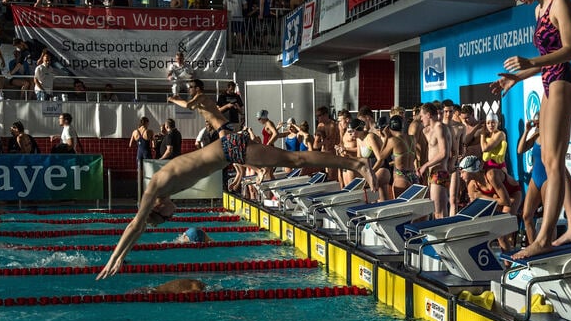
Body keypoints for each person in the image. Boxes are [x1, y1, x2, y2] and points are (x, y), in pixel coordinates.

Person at [97, 83, 376, 279]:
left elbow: (136, 223)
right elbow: (140, 226)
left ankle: (356, 163)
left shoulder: (156, 187)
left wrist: (115, 257)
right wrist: (175, 102)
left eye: (168, 216)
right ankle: (197, 100)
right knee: (213, 116)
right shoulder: (166, 190)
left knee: (296, 160)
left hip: (230, 149)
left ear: (158, 208)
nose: (174, 214)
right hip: (225, 143)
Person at [492, 0, 571, 258]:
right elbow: (544, 57)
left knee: (554, 161)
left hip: (563, 82)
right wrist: (516, 79)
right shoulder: (537, 10)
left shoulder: (560, 3)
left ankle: (545, 237)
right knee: (548, 158)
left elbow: (570, 50)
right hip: (548, 81)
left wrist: (531, 62)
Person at [459, 155, 522, 250]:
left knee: (501, 231)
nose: (461, 176)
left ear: (470, 170)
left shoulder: (491, 175)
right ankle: (507, 263)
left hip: (512, 195)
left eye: (463, 172)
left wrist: (482, 196)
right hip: (496, 198)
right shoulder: (472, 186)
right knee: (498, 234)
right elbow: (476, 211)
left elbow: (506, 201)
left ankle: (510, 260)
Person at [417, 103, 453, 218]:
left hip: (440, 173)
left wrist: (425, 166)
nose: (421, 119)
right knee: (436, 211)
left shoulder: (439, 127)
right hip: (433, 173)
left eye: (422, 116)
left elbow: (444, 153)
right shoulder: (428, 130)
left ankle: (444, 235)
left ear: (428, 115)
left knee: (439, 211)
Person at [517, 116, 546, 246]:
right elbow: (520, 149)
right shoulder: (536, 135)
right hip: (535, 178)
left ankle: (548, 246)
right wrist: (526, 131)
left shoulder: (552, 134)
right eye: (535, 119)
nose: (536, 122)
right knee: (527, 215)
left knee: (548, 219)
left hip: (548, 179)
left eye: (538, 119)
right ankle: (533, 246)